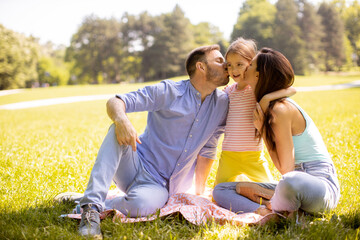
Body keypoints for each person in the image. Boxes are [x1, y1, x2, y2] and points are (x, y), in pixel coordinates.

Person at [66, 45, 230, 238]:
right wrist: (121, 120)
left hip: (160, 187)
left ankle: (84, 200)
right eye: (219, 61)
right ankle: (90, 208)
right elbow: (116, 101)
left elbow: (209, 149)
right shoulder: (168, 91)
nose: (226, 65)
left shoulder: (222, 104)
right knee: (115, 130)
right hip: (134, 164)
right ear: (201, 67)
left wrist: (200, 191)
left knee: (141, 206)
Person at [213, 48, 340, 218]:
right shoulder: (269, 105)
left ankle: (280, 206)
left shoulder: (280, 109)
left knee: (289, 182)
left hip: (318, 184)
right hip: (293, 183)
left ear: (258, 75)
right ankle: (266, 211)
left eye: (250, 65)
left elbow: (286, 170)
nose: (245, 68)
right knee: (220, 190)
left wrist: (262, 130)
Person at [214, 38, 295, 186]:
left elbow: (291, 89)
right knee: (217, 193)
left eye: (240, 64)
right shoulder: (227, 92)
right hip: (228, 155)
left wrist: (267, 98)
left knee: (271, 192)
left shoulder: (256, 89)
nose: (234, 70)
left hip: (253, 156)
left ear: (251, 64)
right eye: (230, 65)